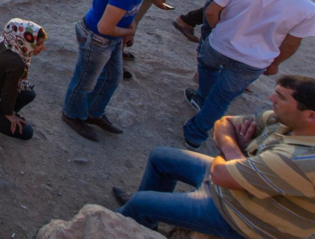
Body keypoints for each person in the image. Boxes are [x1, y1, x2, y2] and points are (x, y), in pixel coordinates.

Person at [117, 75, 315, 239]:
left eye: (281, 97)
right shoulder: (285, 121)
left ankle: (134, 216)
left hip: (241, 219)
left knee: (141, 203)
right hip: (233, 187)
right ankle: (144, 225)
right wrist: (238, 155)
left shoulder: (299, 160)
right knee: (160, 157)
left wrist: (235, 155)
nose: (271, 98)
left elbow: (220, 173)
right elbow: (224, 123)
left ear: (311, 116)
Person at [183, 0, 315, 148]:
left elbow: (210, 12)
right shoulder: (307, 8)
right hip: (253, 60)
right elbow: (291, 44)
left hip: (219, 45)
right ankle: (195, 134)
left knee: (207, 68)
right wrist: (275, 63)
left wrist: (219, 30)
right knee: (222, 98)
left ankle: (202, 100)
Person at [61, 0, 182, 141]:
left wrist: (127, 28)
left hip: (110, 38)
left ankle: (93, 112)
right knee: (84, 81)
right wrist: (129, 31)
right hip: (98, 39)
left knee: (111, 77)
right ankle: (72, 114)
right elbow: (104, 26)